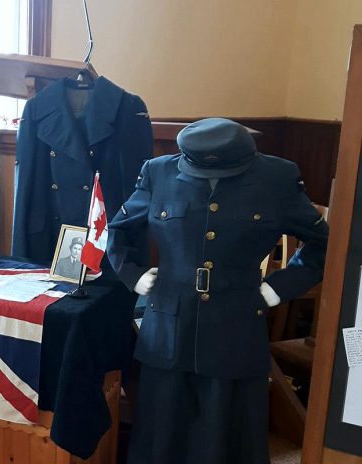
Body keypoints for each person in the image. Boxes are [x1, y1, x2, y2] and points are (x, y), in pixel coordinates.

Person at [107, 118, 328, 464]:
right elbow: (117, 230)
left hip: (236, 321)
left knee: (225, 429)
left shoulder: (277, 178)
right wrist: (132, 276)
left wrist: (276, 289)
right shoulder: (158, 173)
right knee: (161, 429)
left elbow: (322, 243)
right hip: (169, 323)